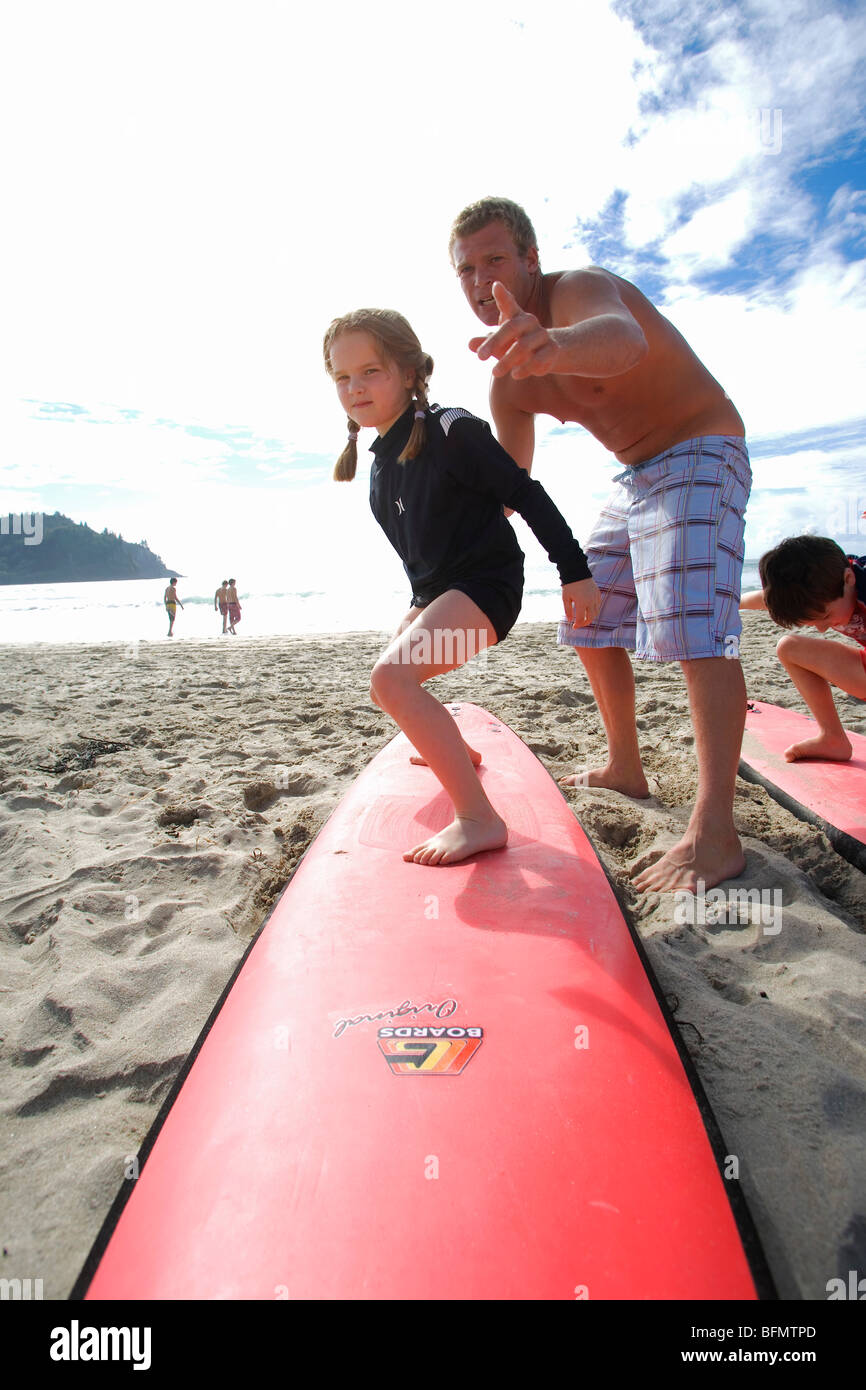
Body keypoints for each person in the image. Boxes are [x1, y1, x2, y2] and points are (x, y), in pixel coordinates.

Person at [449, 196, 751, 893]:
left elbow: (624, 340)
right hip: (637, 474)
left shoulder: (576, 291)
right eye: (464, 268)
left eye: (493, 259)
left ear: (530, 259)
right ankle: (625, 765)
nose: (477, 280)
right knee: (588, 612)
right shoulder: (509, 384)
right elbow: (512, 484)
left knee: (690, 617)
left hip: (703, 445)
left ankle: (715, 834)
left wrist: (557, 342)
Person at [323, 306, 600, 866]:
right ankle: (459, 749)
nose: (355, 387)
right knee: (395, 675)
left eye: (370, 371)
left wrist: (574, 571)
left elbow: (527, 495)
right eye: (342, 377)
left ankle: (479, 818)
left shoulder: (454, 431)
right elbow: (422, 560)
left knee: (393, 679)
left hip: (490, 588)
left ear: (407, 372)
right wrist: (416, 609)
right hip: (444, 591)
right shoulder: (380, 469)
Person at [740, 536, 866, 761]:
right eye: (814, 621)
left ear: (849, 579)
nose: (822, 629)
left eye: (826, 616)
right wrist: (725, 603)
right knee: (790, 647)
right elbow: (763, 600)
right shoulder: (824, 585)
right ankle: (832, 738)